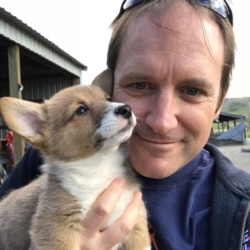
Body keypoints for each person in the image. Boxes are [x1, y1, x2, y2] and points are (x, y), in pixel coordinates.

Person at [1, 0, 250, 249]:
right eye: (139, 85)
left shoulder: (241, 208)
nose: (161, 122)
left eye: (193, 90)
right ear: (114, 85)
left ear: (219, 102)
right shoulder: (44, 159)